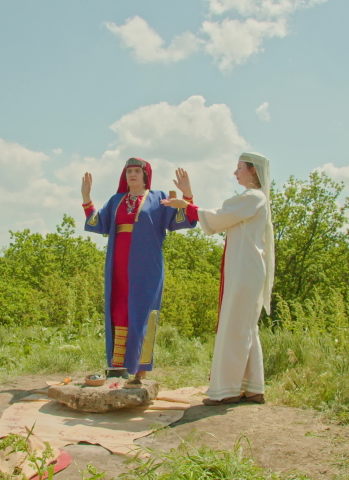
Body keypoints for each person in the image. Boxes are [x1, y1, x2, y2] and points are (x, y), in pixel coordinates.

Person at [160, 153, 275, 405]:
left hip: (246, 269)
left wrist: (187, 205)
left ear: (254, 171)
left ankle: (228, 391)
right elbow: (218, 217)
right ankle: (253, 387)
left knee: (234, 327)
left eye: (239, 168)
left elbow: (219, 217)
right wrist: (189, 199)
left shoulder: (253, 196)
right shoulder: (254, 198)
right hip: (246, 268)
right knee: (245, 327)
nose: (235, 173)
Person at [81, 158, 196, 385]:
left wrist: (188, 195)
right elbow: (98, 223)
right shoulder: (116, 200)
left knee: (143, 312)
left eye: (137, 171)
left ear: (145, 176)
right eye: (129, 171)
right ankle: (118, 365)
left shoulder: (159, 198)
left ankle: (141, 369)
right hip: (118, 265)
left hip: (146, 266)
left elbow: (182, 220)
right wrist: (86, 197)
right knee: (119, 309)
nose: (132, 175)